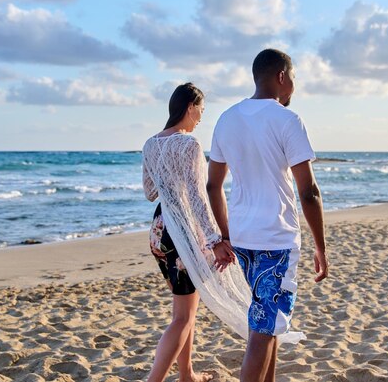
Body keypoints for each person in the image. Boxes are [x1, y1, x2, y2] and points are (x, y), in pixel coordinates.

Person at [207, 49, 329, 382]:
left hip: (244, 237)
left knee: (267, 323)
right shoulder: (287, 120)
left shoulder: (227, 118)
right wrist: (321, 245)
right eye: (293, 77)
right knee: (262, 330)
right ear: (281, 76)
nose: (294, 84)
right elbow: (309, 191)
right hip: (276, 238)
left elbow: (213, 185)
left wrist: (227, 233)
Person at [141, 83, 250, 382]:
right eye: (201, 109)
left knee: (184, 306)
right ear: (190, 106)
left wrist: (167, 177)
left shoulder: (150, 144)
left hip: (160, 231)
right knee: (183, 316)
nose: (202, 116)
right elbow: (198, 197)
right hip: (185, 232)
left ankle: (186, 374)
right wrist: (216, 241)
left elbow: (150, 192)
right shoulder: (189, 145)